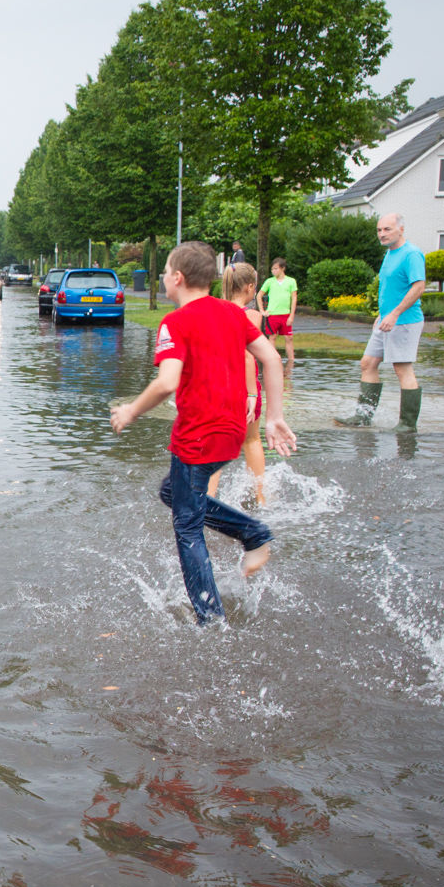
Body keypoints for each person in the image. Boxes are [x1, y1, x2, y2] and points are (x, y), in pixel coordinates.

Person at [110, 241, 296, 625]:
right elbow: (272, 358)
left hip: (197, 436)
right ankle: (252, 532)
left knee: (187, 526)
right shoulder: (232, 313)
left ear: (177, 278)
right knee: (172, 493)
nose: (163, 277)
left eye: (165, 271)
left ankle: (211, 619)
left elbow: (167, 383)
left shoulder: (175, 323)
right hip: (232, 432)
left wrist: (130, 410)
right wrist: (274, 416)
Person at [336, 212, 425, 432]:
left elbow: (418, 287)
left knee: (402, 369)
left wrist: (394, 314)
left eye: (387, 229)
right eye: (379, 230)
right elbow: (392, 288)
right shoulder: (390, 253)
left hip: (404, 321)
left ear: (401, 229)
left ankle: (407, 424)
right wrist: (383, 313)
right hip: (386, 320)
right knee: (367, 363)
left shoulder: (411, 254)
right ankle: (363, 417)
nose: (382, 234)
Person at [207, 261, 268, 507]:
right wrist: (252, 393)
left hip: (217, 384)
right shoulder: (252, 316)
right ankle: (260, 498)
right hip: (243, 385)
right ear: (250, 287)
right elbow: (247, 355)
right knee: (251, 440)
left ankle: (208, 498)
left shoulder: (213, 312)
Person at [257, 257, 298, 371]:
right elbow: (259, 295)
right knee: (272, 337)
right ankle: (272, 360)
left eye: (276, 269)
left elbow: (294, 298)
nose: (273, 271)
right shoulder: (269, 281)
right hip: (272, 315)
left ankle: (291, 361)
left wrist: (291, 316)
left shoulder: (291, 281)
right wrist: (262, 310)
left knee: (289, 338)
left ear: (282, 268)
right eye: (272, 269)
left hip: (285, 314)